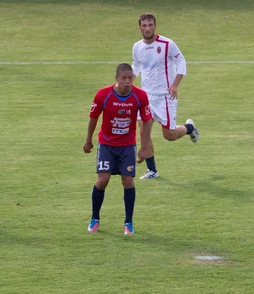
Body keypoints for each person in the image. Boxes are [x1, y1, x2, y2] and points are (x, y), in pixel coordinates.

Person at [83, 63, 153, 234]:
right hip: (106, 144)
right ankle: (95, 219)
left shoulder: (140, 96)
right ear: (116, 79)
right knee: (103, 180)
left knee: (128, 181)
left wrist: (144, 147)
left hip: (127, 145)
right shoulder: (103, 95)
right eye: (124, 78)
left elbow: (147, 120)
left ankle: (128, 223)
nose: (128, 81)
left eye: (131, 78)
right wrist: (88, 140)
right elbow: (93, 117)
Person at [132, 13, 199, 180]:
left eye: (150, 25)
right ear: (139, 27)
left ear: (155, 27)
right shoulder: (137, 47)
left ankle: (189, 128)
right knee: (143, 132)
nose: (147, 28)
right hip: (146, 96)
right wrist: (126, 84)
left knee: (169, 135)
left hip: (164, 97)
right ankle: (152, 170)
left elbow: (181, 62)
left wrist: (175, 85)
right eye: (144, 25)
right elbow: (137, 66)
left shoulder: (167, 44)